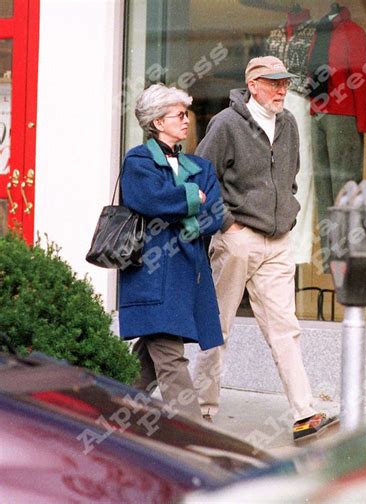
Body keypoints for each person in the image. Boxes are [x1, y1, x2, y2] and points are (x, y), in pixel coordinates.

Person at [193, 56, 337, 440]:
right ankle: (199, 411)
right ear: (252, 84)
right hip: (238, 239)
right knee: (217, 325)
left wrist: (287, 216)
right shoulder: (225, 123)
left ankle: (304, 413)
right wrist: (226, 223)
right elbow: (201, 177)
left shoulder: (288, 123)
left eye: (284, 82)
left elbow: (291, 176)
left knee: (285, 329)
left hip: (277, 241)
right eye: (273, 82)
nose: (281, 89)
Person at [118, 83, 224, 421]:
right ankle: (195, 438)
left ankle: (108, 414)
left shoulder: (200, 166)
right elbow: (151, 199)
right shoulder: (138, 161)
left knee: (148, 359)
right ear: (157, 122)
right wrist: (193, 198)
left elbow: (217, 211)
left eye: (186, 114)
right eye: (179, 115)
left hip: (186, 277)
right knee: (170, 358)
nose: (187, 121)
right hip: (150, 278)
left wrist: (192, 222)